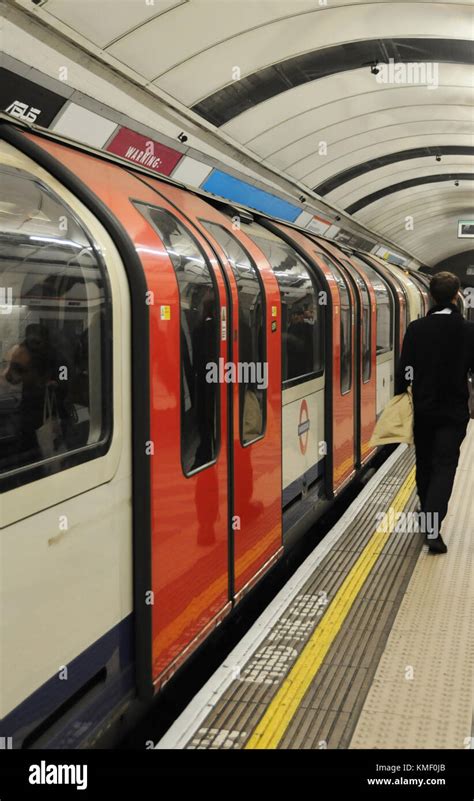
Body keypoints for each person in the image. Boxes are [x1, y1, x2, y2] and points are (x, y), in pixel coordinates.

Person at [395, 271, 474, 553]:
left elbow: (404, 371)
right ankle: (432, 526)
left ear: (430, 296)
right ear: (456, 297)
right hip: (454, 412)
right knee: (445, 466)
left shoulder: (416, 329)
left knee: (425, 462)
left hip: (425, 410)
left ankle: (425, 509)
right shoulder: (468, 330)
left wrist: (400, 398)